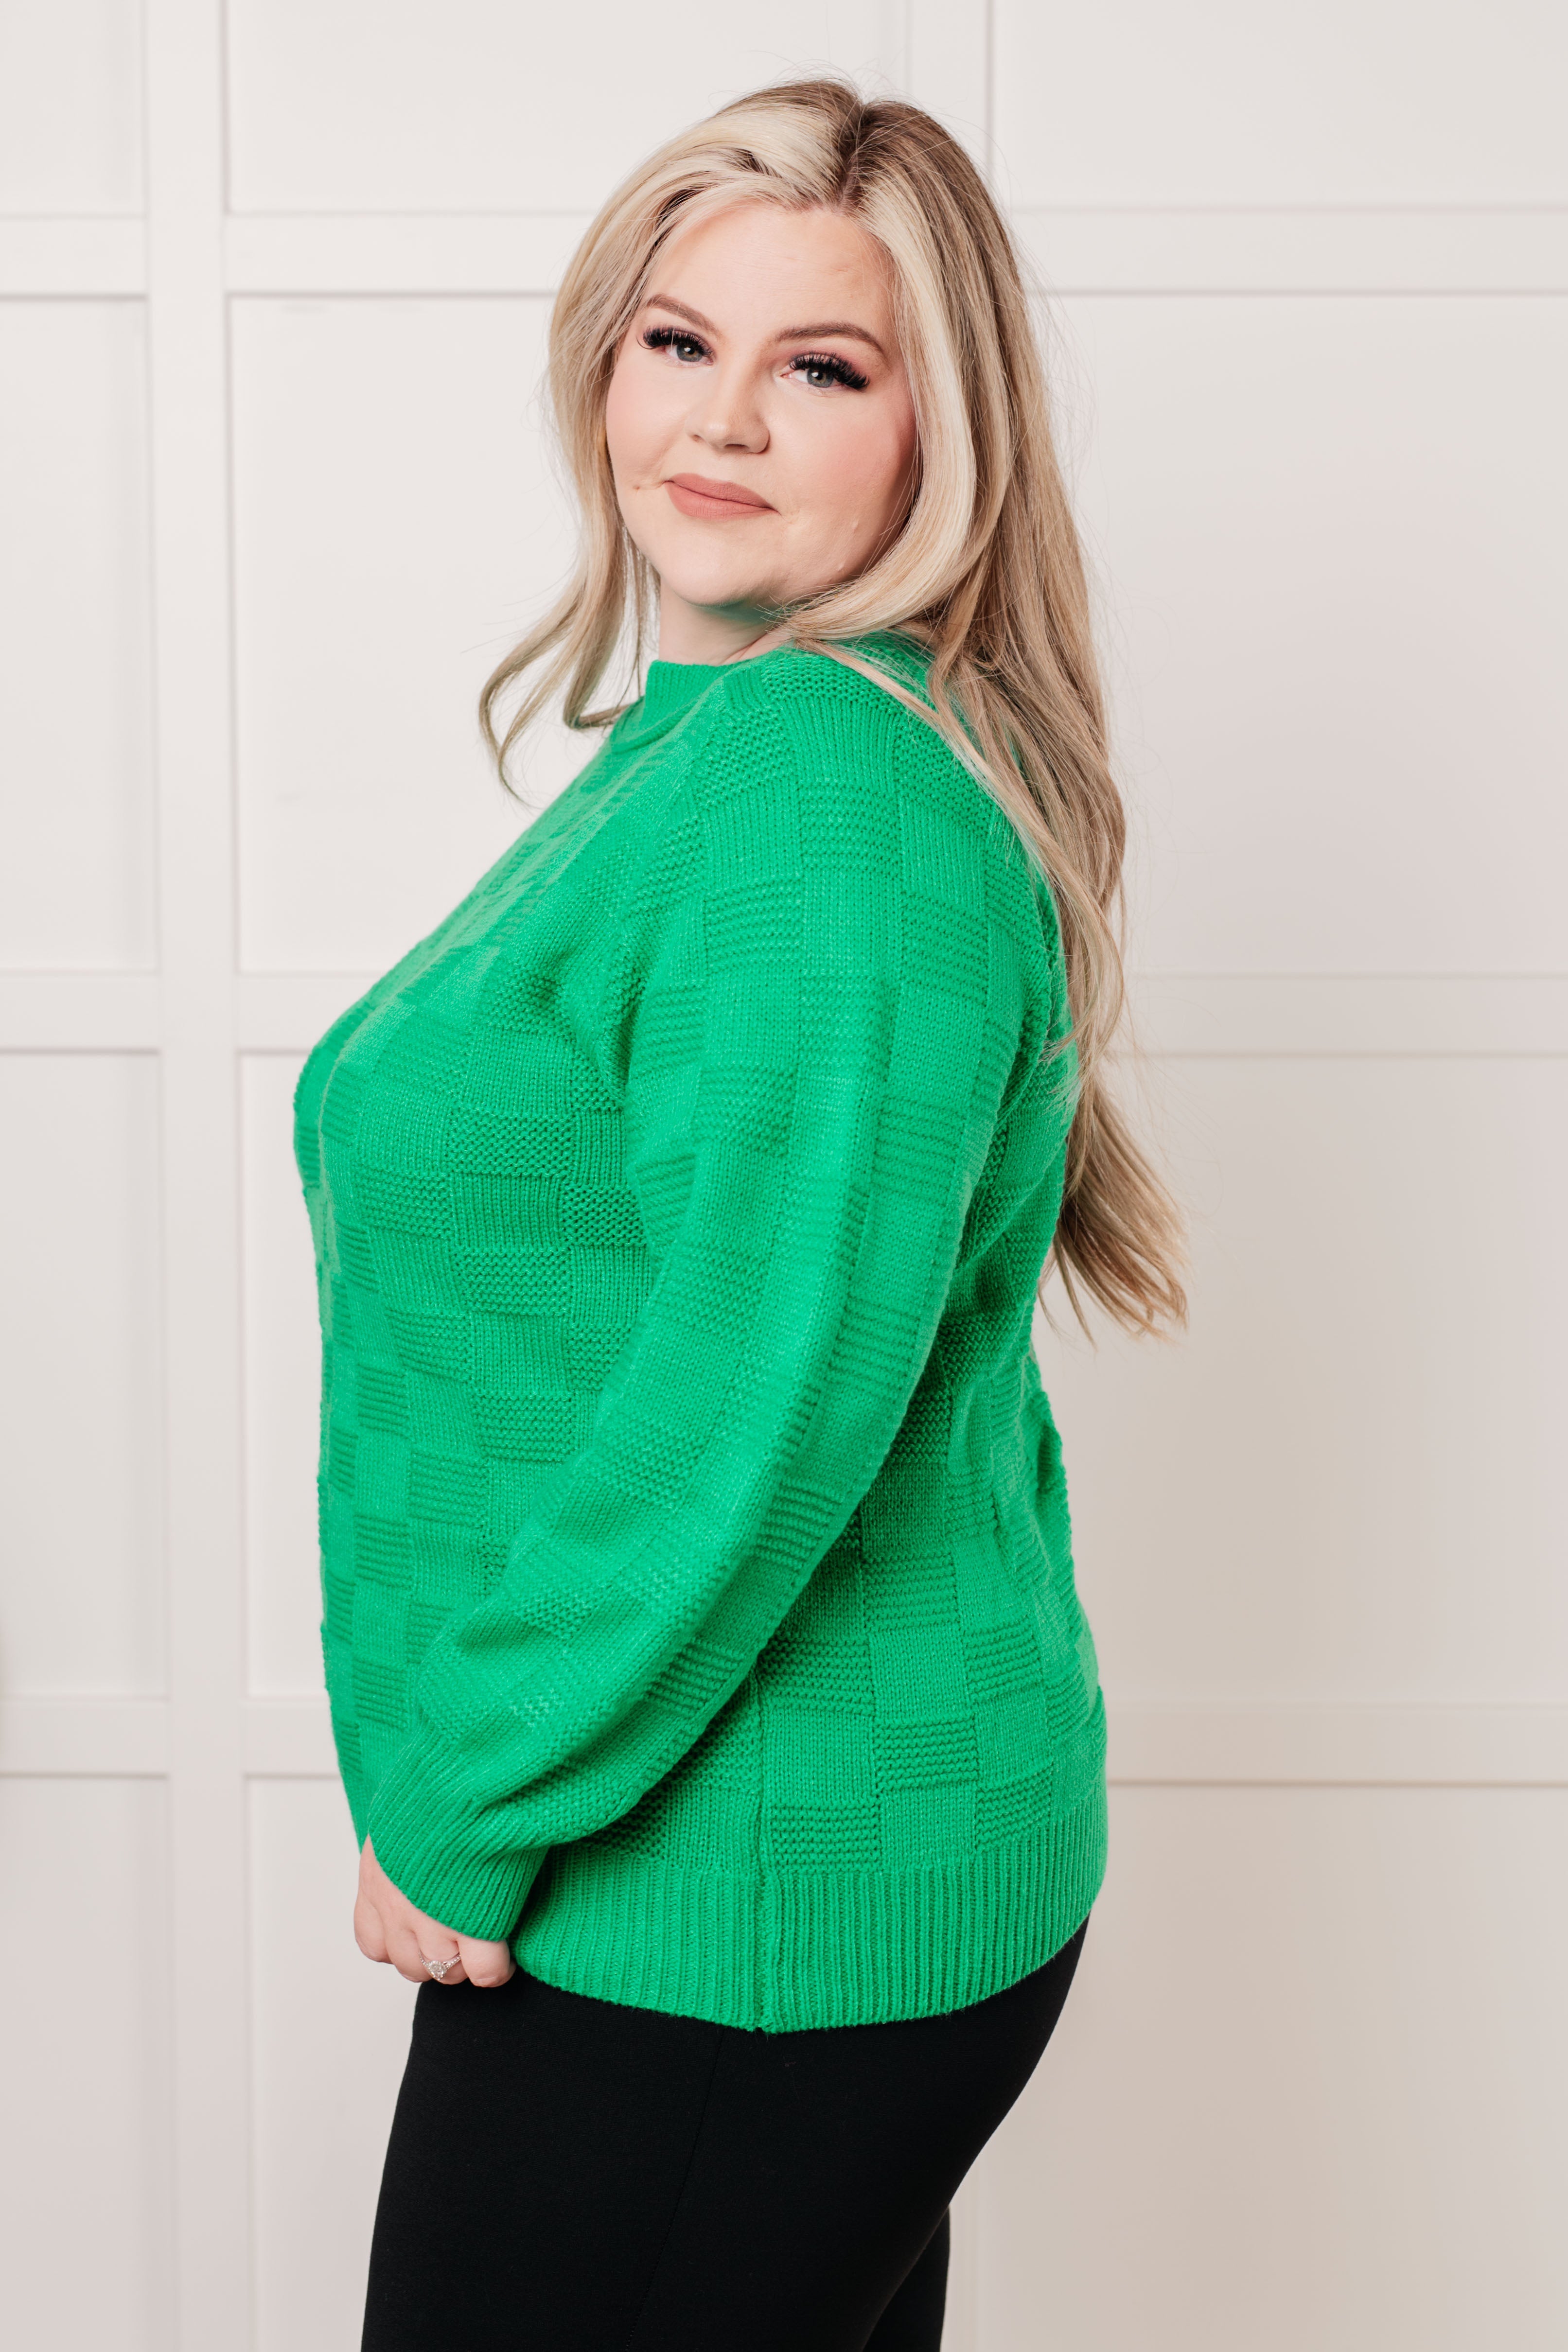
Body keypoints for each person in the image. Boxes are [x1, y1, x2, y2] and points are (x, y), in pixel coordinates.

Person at [293, 74, 1185, 2352]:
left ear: (938, 428)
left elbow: (750, 1414)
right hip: (732, 1873)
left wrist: (472, 1791)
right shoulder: (715, 753)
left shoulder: (813, 791)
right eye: (679, 340)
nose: (722, 418)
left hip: (726, 1905)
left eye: (825, 366)